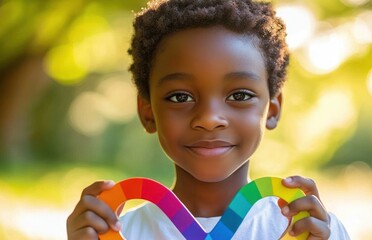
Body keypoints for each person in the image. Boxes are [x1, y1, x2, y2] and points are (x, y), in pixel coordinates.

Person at [66, 0, 350, 239]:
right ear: (148, 111)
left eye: (239, 95)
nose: (209, 119)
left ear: (272, 109)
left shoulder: (311, 230)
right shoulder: (120, 232)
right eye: (180, 97)